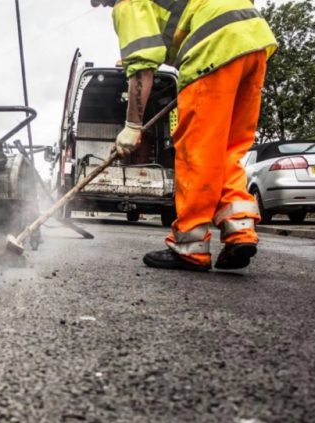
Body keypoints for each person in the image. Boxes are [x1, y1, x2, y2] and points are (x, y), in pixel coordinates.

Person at [91, 0, 277, 271]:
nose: (104, 5)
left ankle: (190, 246)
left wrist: (132, 125)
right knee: (227, 150)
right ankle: (240, 232)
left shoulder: (129, 3)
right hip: (254, 40)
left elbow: (142, 68)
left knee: (196, 152)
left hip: (214, 48)